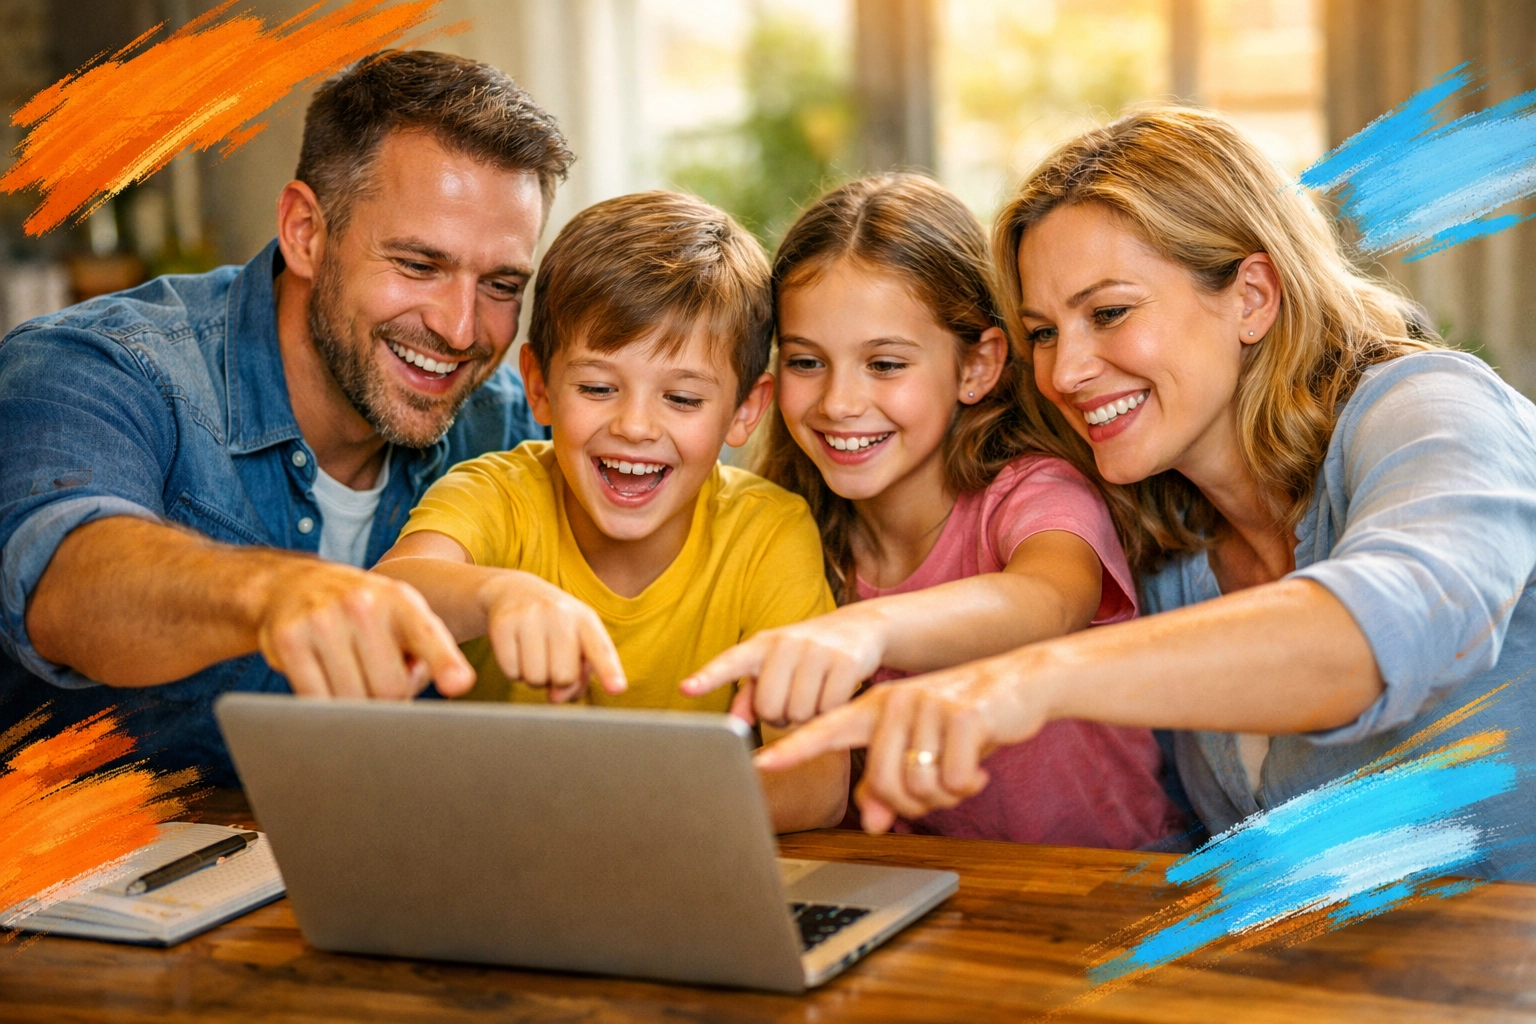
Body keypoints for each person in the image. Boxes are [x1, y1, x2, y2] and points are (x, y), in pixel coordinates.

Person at [756, 105, 1536, 877]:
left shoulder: (1430, 407)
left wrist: (1023, 681)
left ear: (1253, 296)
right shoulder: (1161, 537)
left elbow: (1386, 626)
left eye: (1109, 313)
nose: (1065, 373)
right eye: (1045, 332)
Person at [0, 50, 572, 785]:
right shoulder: (101, 366)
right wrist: (276, 593)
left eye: (500, 283)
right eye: (418, 265)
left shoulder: (509, 430)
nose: (462, 330)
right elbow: (62, 581)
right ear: (305, 231)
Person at [679, 174, 1183, 848]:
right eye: (807, 361)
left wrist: (867, 630)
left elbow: (1048, 597)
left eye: (885, 364)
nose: (839, 403)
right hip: (919, 897)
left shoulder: (1032, 493)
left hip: (1105, 892)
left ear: (976, 366)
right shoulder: (790, 530)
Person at [372, 191, 848, 832]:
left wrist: (611, 812)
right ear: (539, 386)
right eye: (597, 388)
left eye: (682, 398)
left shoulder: (768, 534)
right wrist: (496, 595)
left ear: (745, 410)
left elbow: (816, 785)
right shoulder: (494, 494)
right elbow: (381, 603)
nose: (634, 427)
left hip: (687, 870)